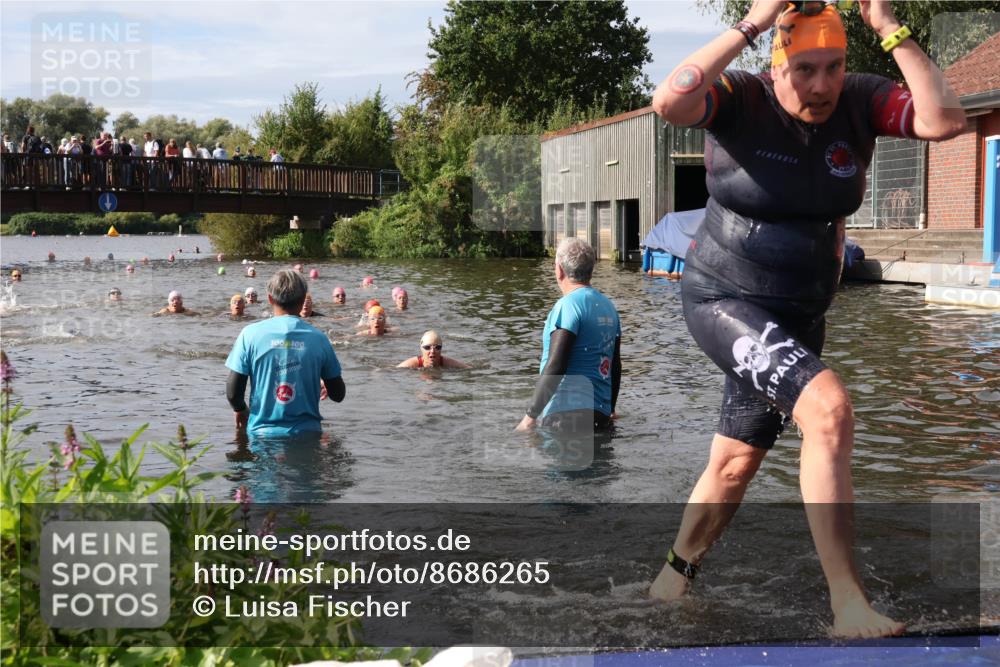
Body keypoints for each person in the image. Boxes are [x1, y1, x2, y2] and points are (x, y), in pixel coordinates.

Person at [647, 0, 966, 638]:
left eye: (835, 67)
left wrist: (887, 25)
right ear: (778, 63)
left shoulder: (861, 99)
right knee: (830, 411)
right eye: (805, 69)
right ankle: (848, 605)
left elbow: (945, 119)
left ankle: (670, 580)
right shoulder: (741, 97)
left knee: (735, 462)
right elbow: (670, 103)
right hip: (723, 298)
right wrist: (753, 24)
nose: (822, 85)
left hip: (799, 312)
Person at [516, 237, 621, 434]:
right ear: (591, 270)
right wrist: (611, 409)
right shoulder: (609, 308)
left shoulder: (567, 306)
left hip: (563, 418)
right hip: (600, 416)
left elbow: (557, 364)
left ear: (559, 270)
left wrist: (530, 417)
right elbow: (615, 365)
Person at [225, 269, 346, 436]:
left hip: (261, 435)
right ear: (304, 299)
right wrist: (324, 379)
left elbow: (233, 393)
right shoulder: (319, 339)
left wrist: (240, 409)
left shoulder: (249, 335)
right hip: (307, 436)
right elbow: (338, 394)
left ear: (269, 298)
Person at [398, 330, 469, 369]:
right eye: (427, 347)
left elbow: (468, 368)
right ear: (421, 349)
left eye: (437, 347)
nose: (432, 351)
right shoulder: (411, 364)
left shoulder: (446, 362)